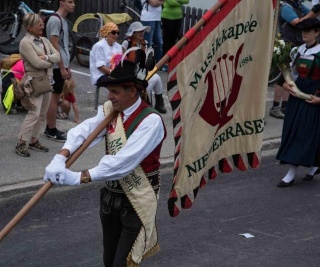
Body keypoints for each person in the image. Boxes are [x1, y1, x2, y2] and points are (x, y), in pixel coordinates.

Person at [44, 55, 166, 267]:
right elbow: (85, 130)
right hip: (110, 199)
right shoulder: (112, 110)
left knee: (122, 263)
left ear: (132, 91)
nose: (109, 96)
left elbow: (123, 162)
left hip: (135, 201)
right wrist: (60, 157)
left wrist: (78, 177)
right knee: (109, 260)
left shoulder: (151, 121)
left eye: (115, 92)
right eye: (109, 91)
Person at [277, 18, 320, 187]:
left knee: (305, 133)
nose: (304, 33)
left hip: (313, 97)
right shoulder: (298, 50)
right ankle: (314, 166)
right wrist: (287, 84)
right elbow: (292, 74)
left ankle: (291, 173)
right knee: (294, 130)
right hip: (297, 96)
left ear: (317, 33)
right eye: (303, 30)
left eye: (308, 30)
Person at [15, 13, 60, 157]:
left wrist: (46, 57)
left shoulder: (45, 40)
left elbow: (58, 56)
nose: (42, 25)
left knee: (42, 113)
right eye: (38, 24)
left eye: (42, 23)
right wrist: (50, 61)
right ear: (29, 27)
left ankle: (34, 140)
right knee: (34, 113)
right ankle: (21, 142)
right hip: (34, 81)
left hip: (47, 80)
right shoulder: (25, 43)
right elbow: (36, 63)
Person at [270, 0, 312, 119]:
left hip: (296, 44)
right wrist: (312, 13)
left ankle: (285, 106)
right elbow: (296, 23)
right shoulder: (285, 6)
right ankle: (275, 107)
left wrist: (315, 12)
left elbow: (310, 15)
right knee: (284, 76)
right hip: (287, 45)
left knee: (292, 76)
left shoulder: (298, 5)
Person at [45, 0, 75, 142]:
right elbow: (54, 43)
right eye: (70, 1)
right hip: (57, 65)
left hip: (62, 63)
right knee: (55, 96)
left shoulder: (62, 20)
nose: (73, 4)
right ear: (61, 3)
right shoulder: (55, 20)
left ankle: (51, 127)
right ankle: (51, 129)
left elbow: (62, 45)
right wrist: (62, 66)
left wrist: (67, 65)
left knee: (56, 96)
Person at [122, 21, 167, 113]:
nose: (142, 33)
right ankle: (143, 101)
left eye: (142, 31)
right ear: (133, 33)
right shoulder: (126, 43)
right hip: (130, 74)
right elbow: (122, 60)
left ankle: (159, 103)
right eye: (139, 31)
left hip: (142, 72)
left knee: (157, 77)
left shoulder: (145, 43)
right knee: (148, 80)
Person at [89, 22, 123, 86]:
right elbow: (100, 67)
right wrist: (113, 73)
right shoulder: (99, 46)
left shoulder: (119, 46)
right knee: (118, 83)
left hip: (113, 73)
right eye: (113, 32)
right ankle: (113, 95)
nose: (116, 35)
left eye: (117, 33)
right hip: (100, 75)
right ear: (107, 33)